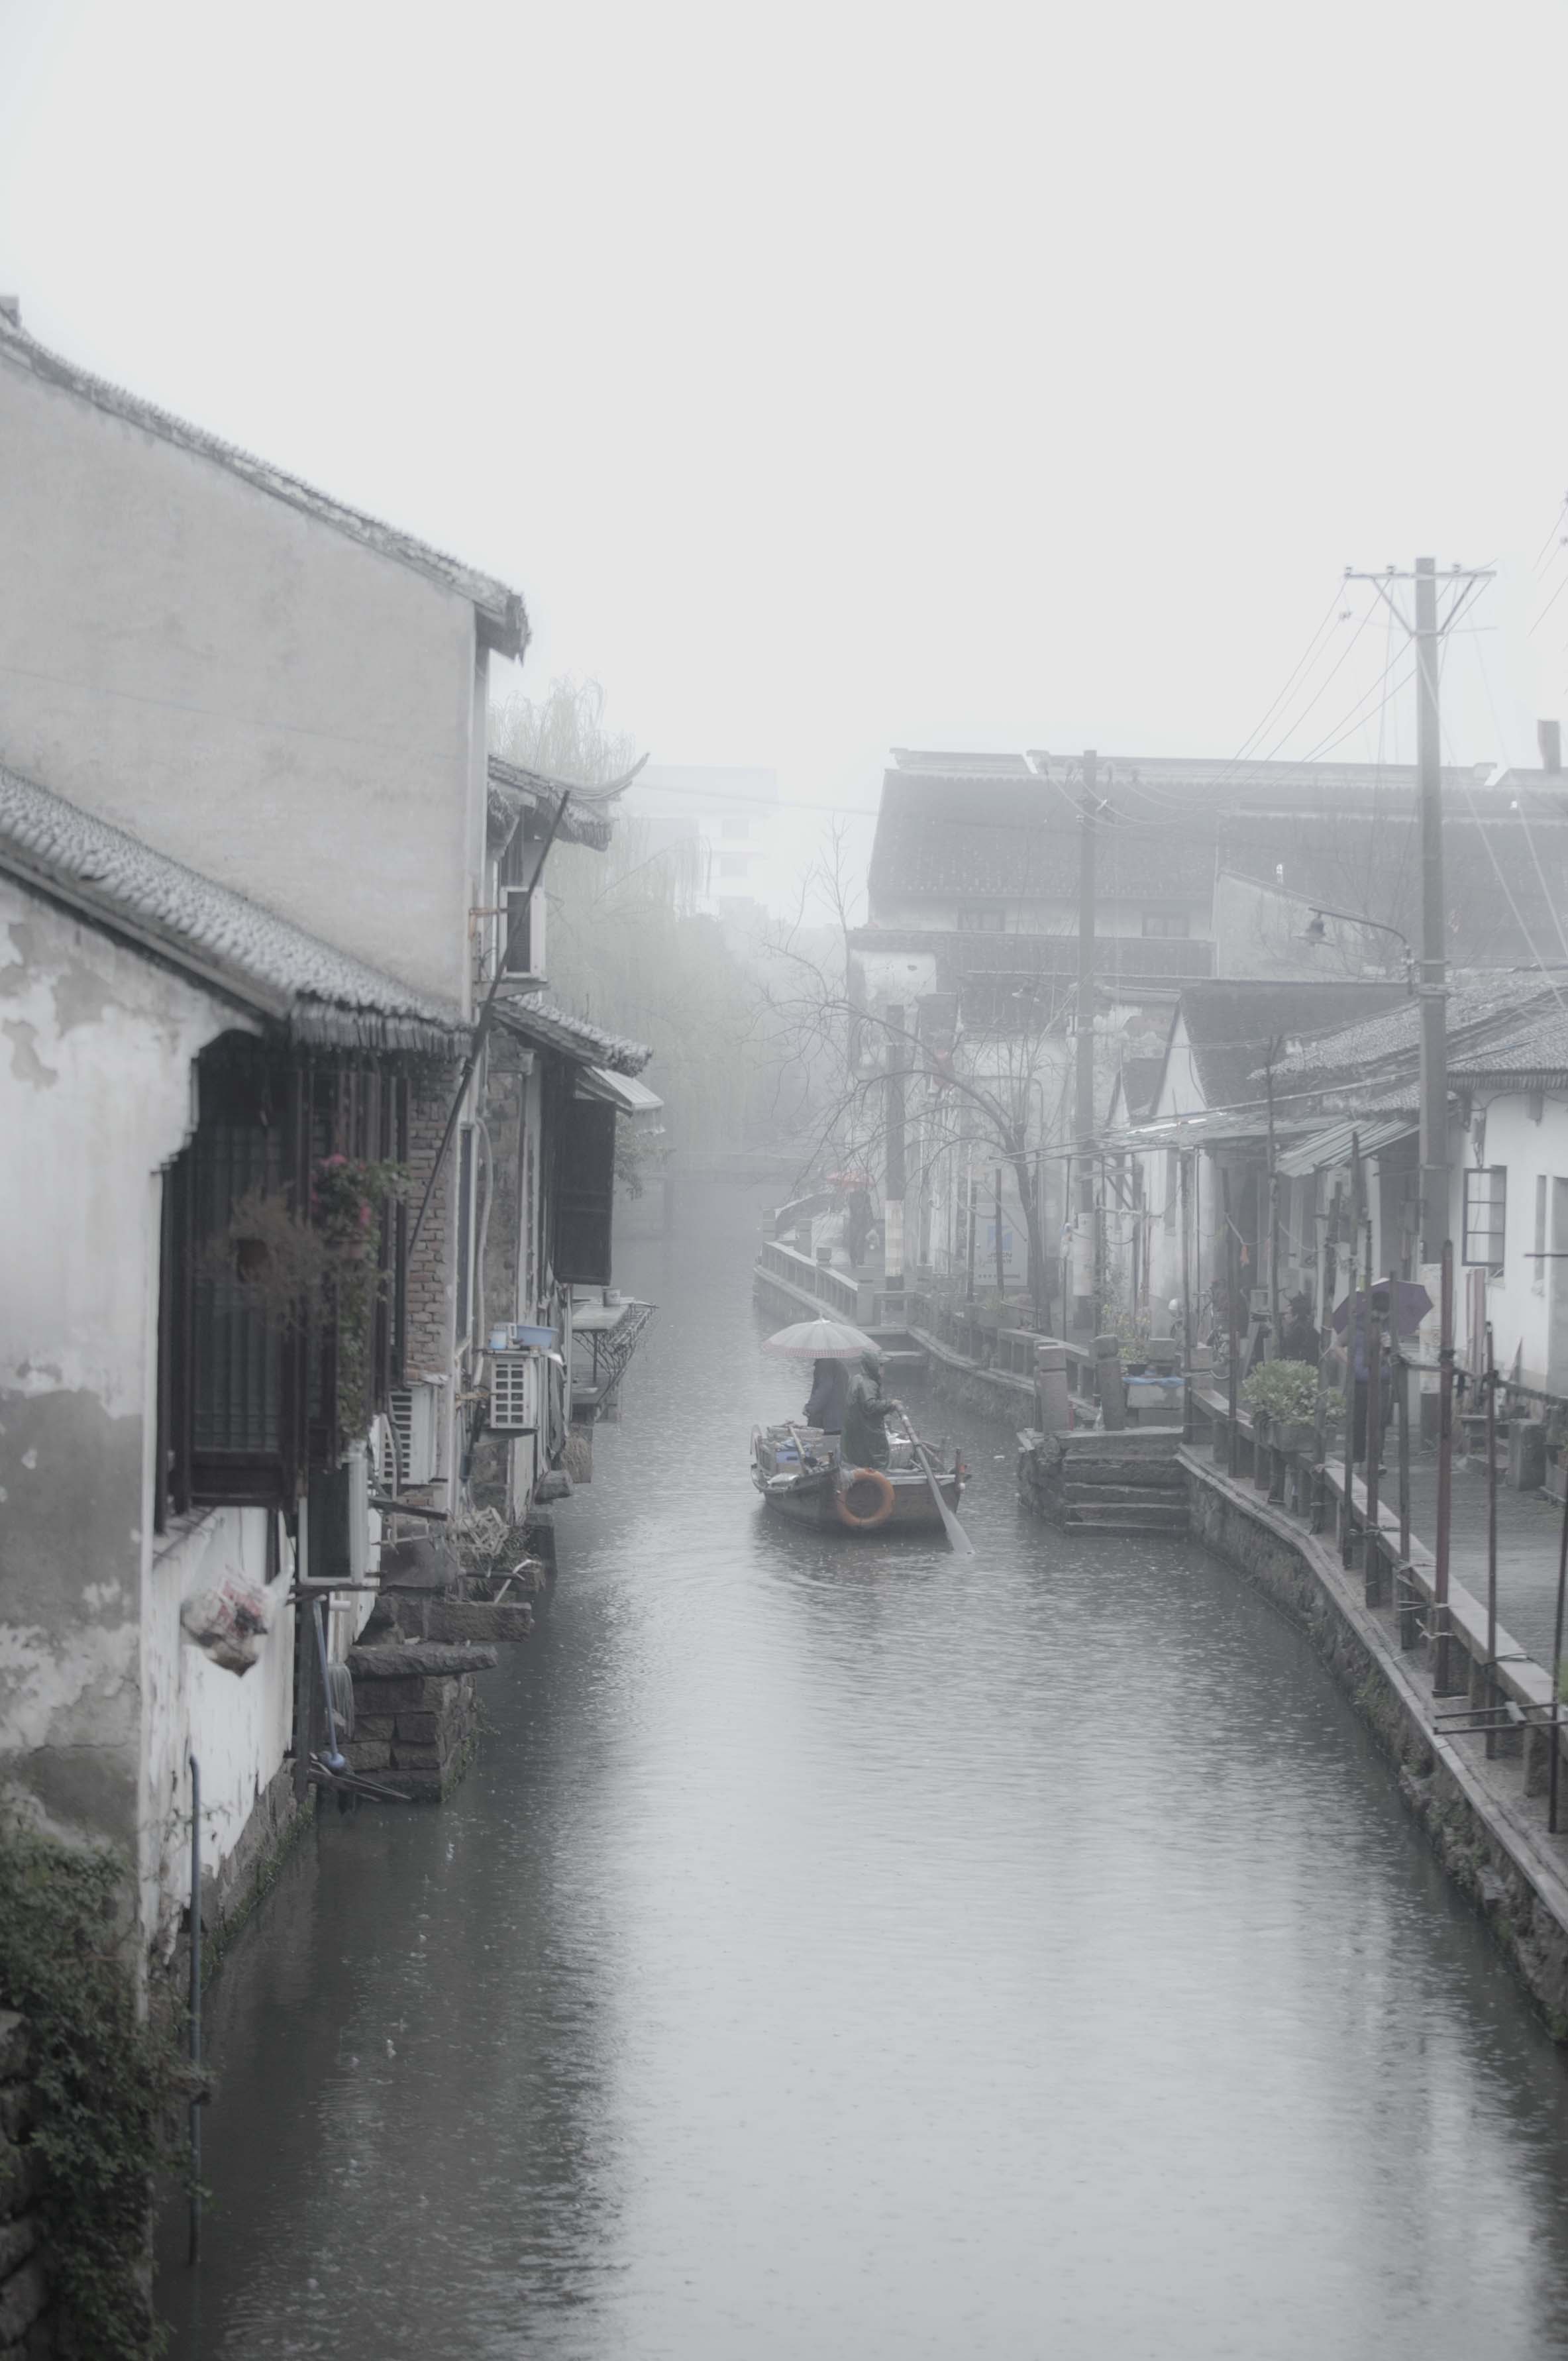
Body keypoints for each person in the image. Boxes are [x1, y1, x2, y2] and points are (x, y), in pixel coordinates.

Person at [843, 1347, 899, 1471]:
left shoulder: (856, 1379)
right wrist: (891, 1404)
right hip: (869, 1438)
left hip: (856, 1437)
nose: (883, 1370)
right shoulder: (868, 1384)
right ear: (872, 1366)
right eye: (880, 1366)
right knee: (877, 1466)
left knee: (858, 1464)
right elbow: (870, 1406)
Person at [803, 1356, 848, 1451]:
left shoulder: (825, 1363)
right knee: (833, 1453)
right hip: (838, 1420)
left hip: (828, 1422)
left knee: (823, 1454)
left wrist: (809, 1408)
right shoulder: (837, 1363)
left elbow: (824, 1390)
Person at [1279, 1291, 1320, 1365]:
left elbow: (1288, 1349)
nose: (1284, 1317)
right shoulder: (1306, 1327)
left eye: (1287, 1313)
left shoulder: (1298, 1330)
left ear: (1296, 1315)